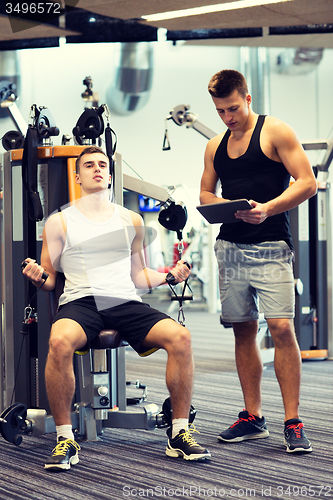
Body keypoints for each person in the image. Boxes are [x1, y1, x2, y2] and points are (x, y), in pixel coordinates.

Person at [23, 145, 210, 471]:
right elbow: (51, 279)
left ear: (110, 176)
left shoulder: (132, 219)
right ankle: (65, 438)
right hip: (81, 301)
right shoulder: (60, 222)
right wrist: (39, 278)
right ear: (77, 176)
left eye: (102, 165)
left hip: (124, 301)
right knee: (58, 341)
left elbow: (139, 276)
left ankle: (179, 432)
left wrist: (170, 275)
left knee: (181, 337)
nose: (97, 169)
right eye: (89, 166)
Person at [200, 69, 317, 453]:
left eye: (233, 108)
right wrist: (226, 207)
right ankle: (253, 417)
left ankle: (293, 420)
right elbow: (205, 190)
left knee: (282, 328)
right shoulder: (215, 145)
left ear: (247, 99)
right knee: (243, 330)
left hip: (270, 246)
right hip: (230, 248)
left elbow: (307, 182)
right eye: (220, 111)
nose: (228, 117)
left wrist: (266, 209)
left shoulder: (275, 131)